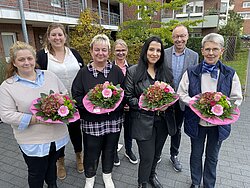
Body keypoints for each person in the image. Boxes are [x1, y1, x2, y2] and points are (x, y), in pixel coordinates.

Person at [0, 41, 70, 188]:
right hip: (32, 140)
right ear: (14, 62)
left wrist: (62, 103)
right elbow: (6, 115)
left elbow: (64, 94)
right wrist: (35, 119)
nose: (27, 62)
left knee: (51, 168)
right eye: (21, 59)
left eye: (29, 58)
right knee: (36, 173)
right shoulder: (8, 86)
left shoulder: (49, 75)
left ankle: (52, 186)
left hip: (56, 136)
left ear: (34, 59)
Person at [177, 33, 243, 188]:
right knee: (196, 154)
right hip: (197, 123)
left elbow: (236, 98)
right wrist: (197, 104)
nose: (211, 53)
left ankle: (209, 184)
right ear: (202, 51)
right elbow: (181, 93)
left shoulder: (230, 73)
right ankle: (195, 182)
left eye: (215, 49)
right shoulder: (191, 71)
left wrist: (224, 107)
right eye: (207, 49)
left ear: (222, 50)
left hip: (219, 126)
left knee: (212, 157)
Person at [71, 34, 124, 188]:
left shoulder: (116, 71)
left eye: (104, 50)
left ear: (109, 52)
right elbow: (77, 95)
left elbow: (123, 94)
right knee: (91, 151)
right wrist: (92, 105)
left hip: (113, 120)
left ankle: (107, 176)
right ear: (91, 51)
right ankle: (90, 178)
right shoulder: (83, 73)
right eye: (97, 50)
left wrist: (114, 105)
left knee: (109, 150)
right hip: (91, 121)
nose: (100, 53)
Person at [125, 36, 176, 188]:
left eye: (158, 50)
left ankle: (152, 176)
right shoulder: (133, 71)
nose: (155, 53)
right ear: (145, 51)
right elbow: (128, 97)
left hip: (163, 121)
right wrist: (146, 104)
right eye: (151, 49)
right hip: (143, 121)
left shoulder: (166, 71)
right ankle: (142, 182)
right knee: (146, 156)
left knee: (156, 154)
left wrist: (168, 104)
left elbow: (172, 94)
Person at [36, 23, 84, 179]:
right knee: (58, 134)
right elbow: (37, 79)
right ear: (48, 37)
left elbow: (82, 74)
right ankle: (60, 161)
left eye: (60, 34)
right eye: (54, 35)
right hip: (55, 105)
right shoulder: (42, 56)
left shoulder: (74, 54)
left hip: (75, 102)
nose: (57, 38)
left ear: (65, 36)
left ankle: (79, 156)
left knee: (76, 131)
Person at [164, 24, 199, 172]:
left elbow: (195, 78)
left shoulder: (194, 55)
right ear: (172, 38)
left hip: (182, 101)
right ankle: (156, 154)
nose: (179, 39)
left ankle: (174, 154)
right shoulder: (164, 53)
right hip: (165, 99)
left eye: (182, 36)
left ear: (187, 37)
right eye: (176, 36)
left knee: (177, 129)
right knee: (160, 128)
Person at [112, 39, 138, 166]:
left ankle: (128, 150)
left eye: (123, 50)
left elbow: (134, 88)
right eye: (118, 50)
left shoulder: (133, 68)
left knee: (129, 130)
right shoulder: (109, 68)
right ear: (113, 51)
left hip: (129, 107)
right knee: (115, 130)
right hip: (114, 107)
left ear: (127, 51)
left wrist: (129, 103)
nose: (120, 53)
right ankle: (114, 152)